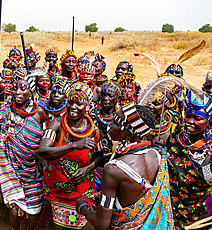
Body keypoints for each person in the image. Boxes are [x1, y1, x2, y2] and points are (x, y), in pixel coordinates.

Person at [76, 103, 174, 230]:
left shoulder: (113, 169)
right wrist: (104, 194)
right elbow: (137, 191)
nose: (110, 124)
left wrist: (82, 207)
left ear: (130, 133)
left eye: (116, 122)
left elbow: (102, 224)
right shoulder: (157, 155)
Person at [0, 70, 46, 230]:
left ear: (30, 92)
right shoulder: (6, 110)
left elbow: (45, 139)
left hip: (32, 168)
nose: (17, 92)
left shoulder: (39, 113)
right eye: (15, 88)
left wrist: (42, 158)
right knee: (12, 206)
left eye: (22, 88)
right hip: (9, 166)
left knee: (33, 209)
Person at [38, 82, 103, 230]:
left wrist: (87, 169)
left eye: (78, 104)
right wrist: (74, 145)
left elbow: (100, 156)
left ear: (87, 107)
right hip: (57, 189)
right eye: (70, 102)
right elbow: (43, 150)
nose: (73, 107)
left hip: (81, 189)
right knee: (57, 226)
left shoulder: (93, 130)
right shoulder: (56, 124)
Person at [167, 91, 212, 229]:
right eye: (188, 116)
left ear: (209, 122)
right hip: (172, 208)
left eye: (197, 118)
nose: (190, 122)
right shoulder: (175, 138)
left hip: (202, 215)